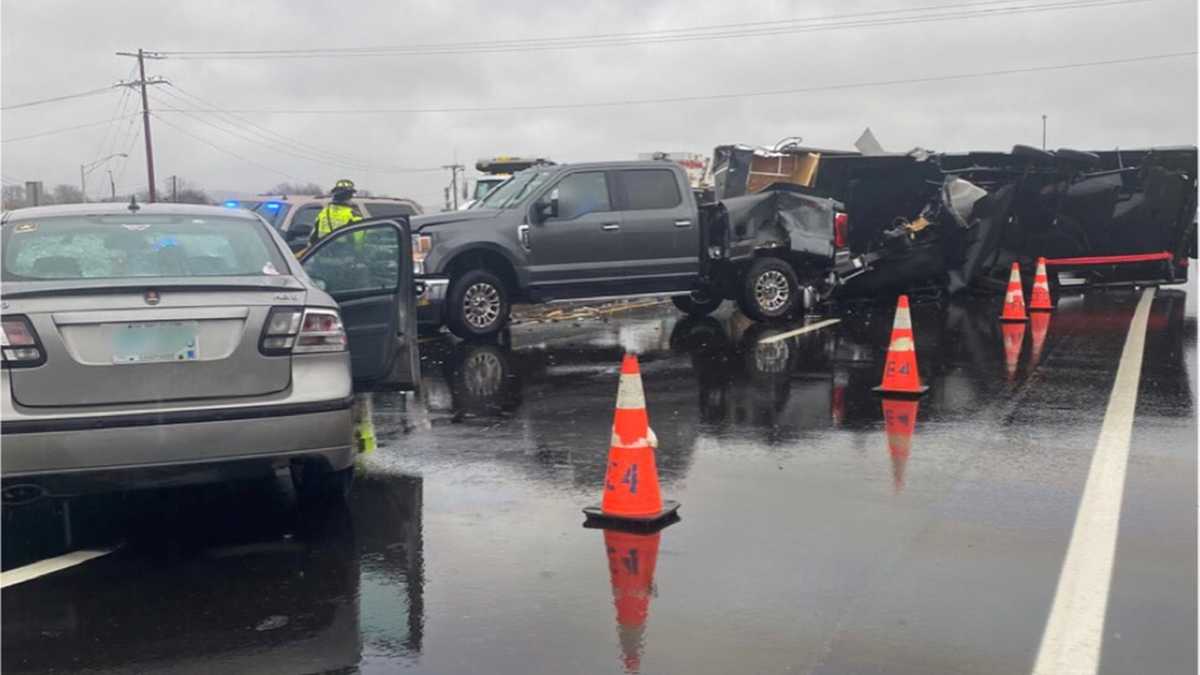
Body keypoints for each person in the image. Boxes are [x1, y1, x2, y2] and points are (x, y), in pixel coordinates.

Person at [309, 178, 363, 246]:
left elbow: (312, 238)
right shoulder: (353, 214)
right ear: (349, 196)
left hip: (323, 252)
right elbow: (358, 239)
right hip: (343, 253)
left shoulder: (324, 212)